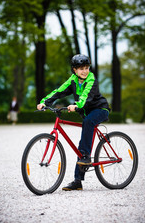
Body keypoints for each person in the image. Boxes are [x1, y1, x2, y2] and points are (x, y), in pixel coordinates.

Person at [37, 54, 110, 191]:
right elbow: (59, 91)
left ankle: (87, 157)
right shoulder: (73, 80)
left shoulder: (91, 79)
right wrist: (44, 102)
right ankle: (78, 181)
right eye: (81, 68)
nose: (84, 71)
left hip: (100, 109)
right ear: (74, 70)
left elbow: (86, 96)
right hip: (87, 112)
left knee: (88, 124)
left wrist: (77, 105)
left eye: (86, 67)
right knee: (81, 145)